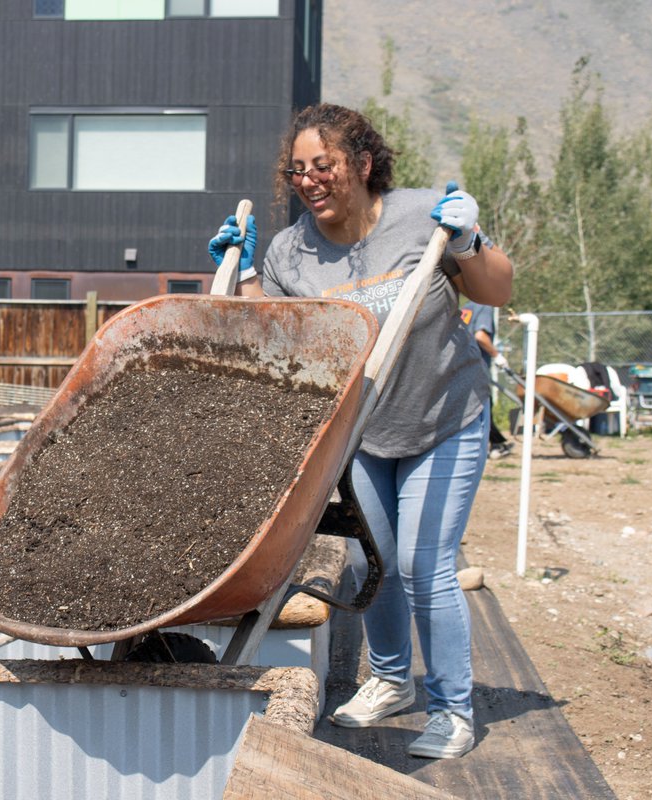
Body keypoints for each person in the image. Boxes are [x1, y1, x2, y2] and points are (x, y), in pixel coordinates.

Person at [207, 103, 513, 759]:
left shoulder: (420, 216)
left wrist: (467, 242)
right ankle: (393, 679)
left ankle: (453, 710)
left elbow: (499, 288)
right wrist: (246, 272)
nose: (310, 180)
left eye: (325, 165)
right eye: (298, 171)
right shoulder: (293, 251)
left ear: (363, 164)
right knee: (374, 561)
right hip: (365, 430)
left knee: (422, 563)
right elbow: (270, 334)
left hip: (442, 415)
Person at [461, 301, 513, 459]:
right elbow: (480, 335)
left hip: (461, 367)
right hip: (477, 368)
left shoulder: (466, 307)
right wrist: (497, 355)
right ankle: (497, 444)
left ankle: (496, 443)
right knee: (483, 409)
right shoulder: (484, 305)